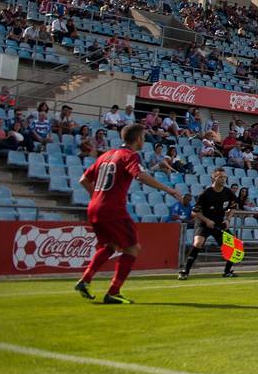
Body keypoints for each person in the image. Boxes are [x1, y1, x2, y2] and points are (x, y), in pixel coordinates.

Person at [74, 124, 181, 304]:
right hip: (113, 209)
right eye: (143, 138)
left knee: (111, 246)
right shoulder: (129, 155)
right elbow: (140, 176)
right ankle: (113, 292)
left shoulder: (106, 155)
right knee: (132, 248)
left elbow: (83, 179)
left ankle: (85, 280)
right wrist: (168, 190)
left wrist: (97, 197)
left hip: (95, 208)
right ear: (138, 139)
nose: (144, 141)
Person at [179, 168, 238, 279]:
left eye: (224, 177)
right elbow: (194, 212)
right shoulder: (206, 193)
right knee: (198, 243)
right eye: (220, 177)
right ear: (213, 178)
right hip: (204, 223)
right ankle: (185, 271)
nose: (223, 179)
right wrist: (207, 221)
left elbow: (233, 207)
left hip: (219, 224)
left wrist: (228, 219)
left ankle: (227, 272)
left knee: (233, 246)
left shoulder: (228, 192)